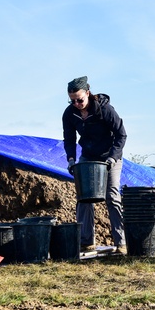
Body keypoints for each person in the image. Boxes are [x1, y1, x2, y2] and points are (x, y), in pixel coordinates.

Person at [62, 76, 127, 254]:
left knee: (112, 196)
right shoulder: (70, 114)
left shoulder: (105, 110)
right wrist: (71, 159)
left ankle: (121, 243)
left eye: (80, 99)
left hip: (109, 157)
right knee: (84, 197)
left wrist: (113, 158)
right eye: (72, 100)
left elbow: (121, 135)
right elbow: (69, 139)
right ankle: (86, 241)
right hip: (88, 157)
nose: (76, 103)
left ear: (88, 94)